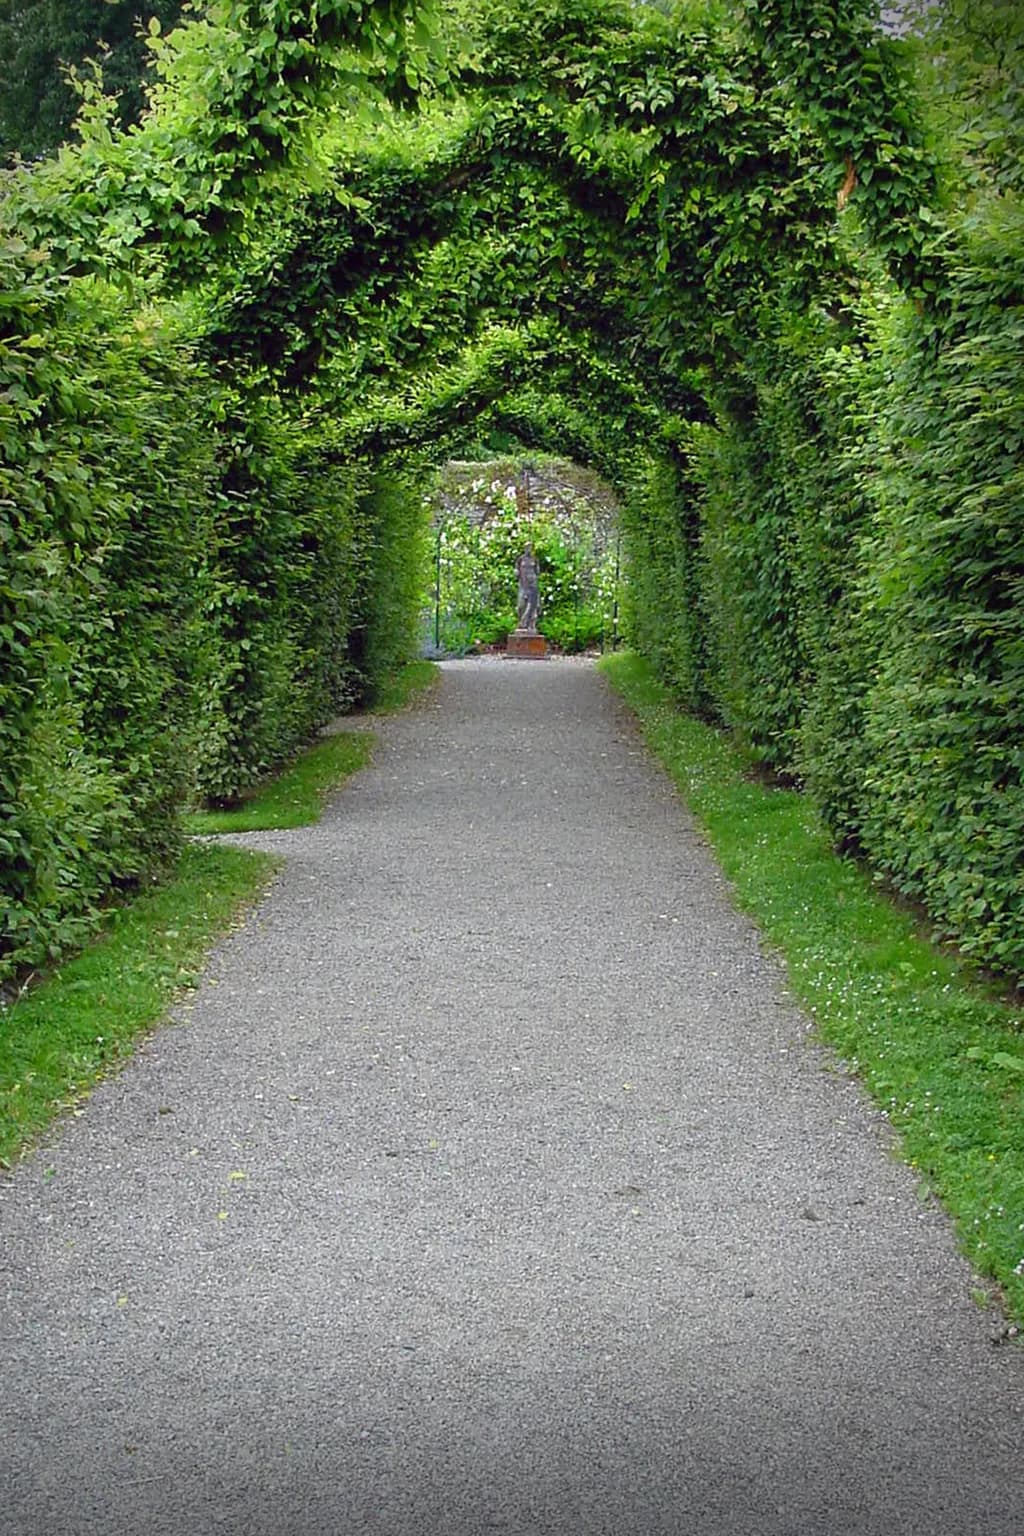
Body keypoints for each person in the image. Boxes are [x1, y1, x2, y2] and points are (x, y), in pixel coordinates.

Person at [516, 546, 540, 631]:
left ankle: (530, 625)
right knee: (521, 605)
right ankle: (522, 623)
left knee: (532, 606)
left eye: (530, 548)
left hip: (532, 585)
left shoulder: (534, 559)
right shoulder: (520, 559)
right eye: (526, 548)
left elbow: (537, 572)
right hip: (523, 585)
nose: (528, 549)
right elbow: (517, 572)